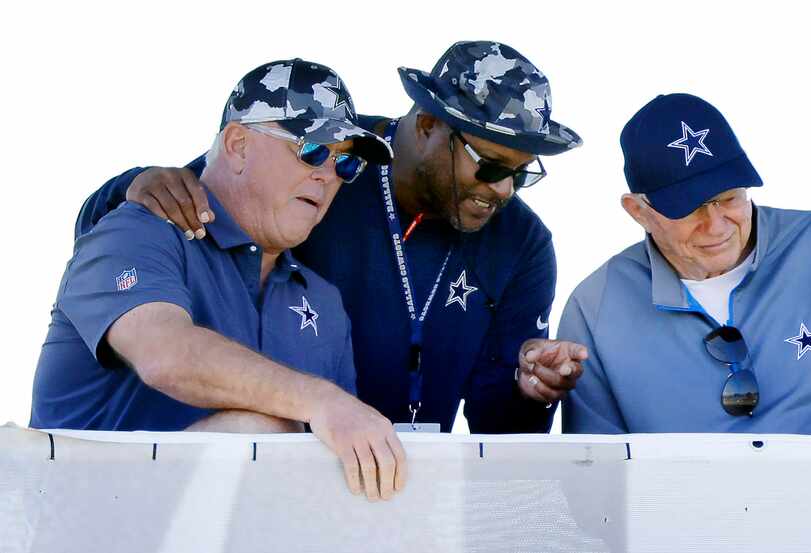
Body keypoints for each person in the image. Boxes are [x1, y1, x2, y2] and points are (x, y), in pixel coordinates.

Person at [75, 41, 589, 433]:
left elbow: (498, 434)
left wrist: (532, 392)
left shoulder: (523, 241)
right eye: (490, 165)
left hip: (376, 479)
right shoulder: (329, 151)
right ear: (428, 125)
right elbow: (197, 196)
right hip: (284, 454)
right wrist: (129, 184)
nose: (502, 190)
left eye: (521, 173)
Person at [31, 59, 407, 501]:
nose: (327, 174)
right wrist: (322, 401)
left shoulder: (323, 303)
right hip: (81, 525)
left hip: (259, 534)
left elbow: (340, 472)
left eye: (346, 165)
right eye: (313, 149)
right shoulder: (137, 232)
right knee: (259, 431)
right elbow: (165, 355)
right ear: (238, 144)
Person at [560, 92, 811, 434]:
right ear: (638, 211)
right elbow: (596, 471)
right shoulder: (594, 309)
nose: (716, 226)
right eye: (688, 208)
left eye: (729, 197)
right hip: (674, 489)